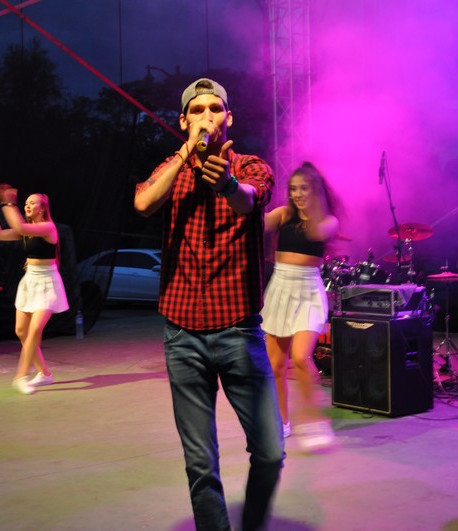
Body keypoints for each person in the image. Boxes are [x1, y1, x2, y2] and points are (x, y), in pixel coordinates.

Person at [134, 78, 284, 531]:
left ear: (228, 117)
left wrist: (227, 184)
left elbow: (248, 201)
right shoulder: (172, 167)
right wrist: (186, 155)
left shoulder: (250, 166)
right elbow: (143, 202)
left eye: (215, 109)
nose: (206, 117)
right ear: (183, 121)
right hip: (182, 335)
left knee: (270, 451)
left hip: (238, 330)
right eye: (196, 111)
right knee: (200, 463)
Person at [261, 162, 340, 451]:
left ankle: (315, 421)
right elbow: (259, 222)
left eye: (304, 188)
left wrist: (313, 203)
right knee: (275, 365)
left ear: (315, 190)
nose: (297, 194)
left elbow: (316, 233)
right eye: (293, 189)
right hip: (280, 288)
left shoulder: (328, 221)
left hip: (308, 290)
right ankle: (281, 421)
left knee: (301, 357)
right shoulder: (283, 214)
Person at [0, 186, 68, 395]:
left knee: (34, 330)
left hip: (48, 283)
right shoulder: (25, 231)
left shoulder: (48, 228)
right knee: (21, 331)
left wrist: (9, 203)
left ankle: (20, 377)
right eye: (25, 203)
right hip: (29, 281)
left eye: (32, 203)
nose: (27, 206)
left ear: (42, 208)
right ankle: (45, 374)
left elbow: (20, 226)